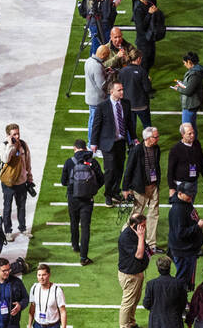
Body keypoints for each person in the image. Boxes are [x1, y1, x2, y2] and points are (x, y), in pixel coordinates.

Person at [61, 138, 103, 266]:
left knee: (74, 222)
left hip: (73, 198)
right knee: (85, 227)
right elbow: (102, 179)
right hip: (87, 199)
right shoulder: (93, 162)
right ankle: (83, 257)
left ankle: (75, 245)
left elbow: (63, 181)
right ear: (85, 148)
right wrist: (92, 189)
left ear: (74, 148)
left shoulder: (69, 162)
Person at [93, 81, 136, 204]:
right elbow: (96, 125)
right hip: (107, 143)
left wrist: (133, 137)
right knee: (110, 170)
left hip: (121, 142)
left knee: (119, 168)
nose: (122, 92)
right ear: (111, 92)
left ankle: (115, 191)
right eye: (119, 90)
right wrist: (94, 143)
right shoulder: (102, 106)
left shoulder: (126, 104)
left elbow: (129, 124)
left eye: (122, 89)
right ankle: (108, 194)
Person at [123, 126, 163, 252]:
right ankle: (124, 236)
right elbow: (128, 169)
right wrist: (125, 189)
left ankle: (151, 245)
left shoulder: (156, 149)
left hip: (153, 185)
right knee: (136, 215)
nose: (158, 139)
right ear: (148, 138)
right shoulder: (136, 150)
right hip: (140, 187)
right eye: (155, 137)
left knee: (154, 214)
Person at [0, 122, 33, 239]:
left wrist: (30, 177)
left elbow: (27, 162)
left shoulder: (23, 145)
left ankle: (22, 228)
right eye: (14, 134)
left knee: (21, 206)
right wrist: (11, 145)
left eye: (18, 133)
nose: (17, 136)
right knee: (7, 207)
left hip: (21, 182)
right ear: (8, 135)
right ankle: (8, 231)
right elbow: (6, 159)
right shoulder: (3, 146)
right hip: (8, 183)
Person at [118, 214, 152, 328]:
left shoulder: (135, 232)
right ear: (134, 225)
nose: (144, 228)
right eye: (142, 225)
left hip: (136, 273)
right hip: (129, 275)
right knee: (127, 303)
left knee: (134, 300)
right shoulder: (126, 237)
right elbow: (139, 255)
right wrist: (142, 238)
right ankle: (124, 326)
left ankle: (130, 323)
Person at [144, 254, 191, 328]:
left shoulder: (151, 284)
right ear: (169, 268)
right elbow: (183, 303)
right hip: (174, 322)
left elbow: (146, 304)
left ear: (158, 269)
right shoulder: (179, 284)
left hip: (156, 322)